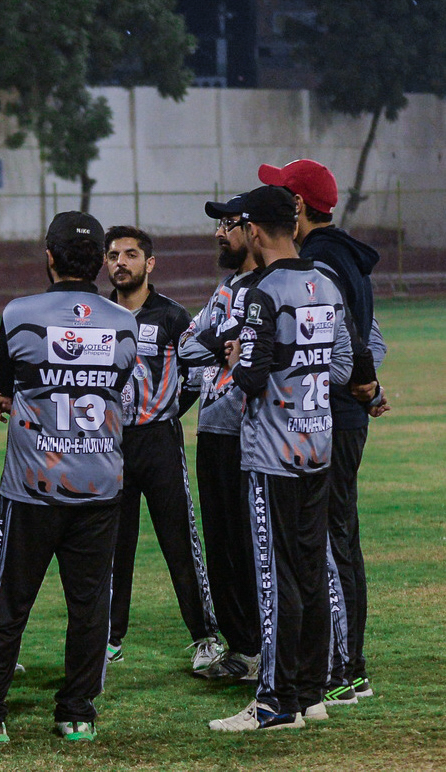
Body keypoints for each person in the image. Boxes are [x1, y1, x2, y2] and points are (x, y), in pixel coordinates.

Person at [0, 212, 137, 745]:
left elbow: (7, 379)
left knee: (5, 603)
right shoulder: (123, 323)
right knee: (90, 607)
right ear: (100, 262)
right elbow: (116, 383)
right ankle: (77, 716)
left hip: (32, 487)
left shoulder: (20, 313)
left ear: (48, 257)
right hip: (100, 485)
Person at [210, 185, 352, 731]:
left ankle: (274, 702)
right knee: (311, 572)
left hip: (273, 454)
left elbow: (250, 377)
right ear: (293, 225)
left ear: (252, 230)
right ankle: (311, 693)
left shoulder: (261, 291)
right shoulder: (326, 282)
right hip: (318, 447)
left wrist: (233, 359)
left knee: (275, 578)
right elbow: (345, 365)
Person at [258, 159, 388, 703]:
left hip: (325, 414)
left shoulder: (319, 261)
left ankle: (341, 669)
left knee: (327, 547)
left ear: (298, 205)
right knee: (340, 540)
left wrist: (362, 382)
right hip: (343, 411)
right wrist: (370, 384)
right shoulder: (345, 255)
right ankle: (347, 666)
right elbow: (371, 337)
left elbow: (351, 339)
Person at [103, 225, 222, 673]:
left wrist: (167, 410)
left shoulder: (171, 316)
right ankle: (109, 638)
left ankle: (205, 637)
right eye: (113, 255)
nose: (120, 263)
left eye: (130, 255)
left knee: (179, 541)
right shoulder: (97, 315)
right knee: (114, 544)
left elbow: (197, 374)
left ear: (149, 263)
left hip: (159, 442)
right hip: (109, 444)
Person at [177, 195, 263, 680]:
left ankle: (261, 649)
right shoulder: (226, 288)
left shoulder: (269, 286)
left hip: (248, 432)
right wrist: (219, 341)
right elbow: (189, 346)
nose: (218, 234)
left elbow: (206, 345)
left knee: (248, 546)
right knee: (222, 546)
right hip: (213, 427)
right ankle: (242, 648)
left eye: (228, 224)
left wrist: (216, 341)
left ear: (252, 230)